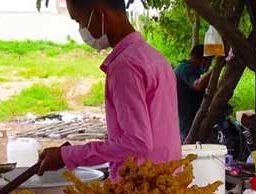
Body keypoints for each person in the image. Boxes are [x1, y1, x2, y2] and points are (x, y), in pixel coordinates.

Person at [39, 0, 180, 180]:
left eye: (79, 21)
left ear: (100, 14)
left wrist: (67, 155)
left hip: (141, 192)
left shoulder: (125, 66)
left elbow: (137, 142)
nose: (82, 29)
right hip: (168, 182)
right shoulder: (154, 57)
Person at [175, 44, 213, 141]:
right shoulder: (185, 69)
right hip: (188, 124)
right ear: (204, 60)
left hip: (189, 121)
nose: (209, 65)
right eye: (210, 62)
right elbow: (198, 85)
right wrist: (215, 70)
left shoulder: (190, 70)